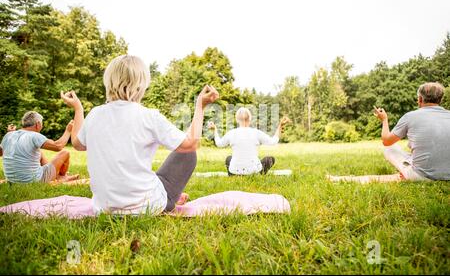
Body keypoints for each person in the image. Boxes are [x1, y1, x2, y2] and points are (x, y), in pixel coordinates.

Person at [61, 54, 219, 215]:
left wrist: (78, 109)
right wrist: (200, 105)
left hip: (104, 208)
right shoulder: (149, 116)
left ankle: (160, 194)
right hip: (148, 207)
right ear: (141, 84)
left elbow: (77, 143)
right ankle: (166, 199)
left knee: (149, 175)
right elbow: (191, 144)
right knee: (187, 154)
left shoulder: (95, 114)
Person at [374, 82, 450, 181]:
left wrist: (384, 119)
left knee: (389, 148)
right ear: (440, 99)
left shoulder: (410, 116)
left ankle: (408, 172)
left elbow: (386, 141)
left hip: (421, 176)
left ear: (420, 99)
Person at [0, 111, 78, 183]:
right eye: (41, 123)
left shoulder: (9, 135)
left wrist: (10, 134)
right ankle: (62, 177)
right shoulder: (34, 135)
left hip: (12, 179)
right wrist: (68, 131)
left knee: (39, 152)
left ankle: (56, 175)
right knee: (65, 153)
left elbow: (1, 153)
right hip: (33, 180)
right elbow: (58, 146)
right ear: (38, 124)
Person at [208, 107, 290, 176]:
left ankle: (234, 175)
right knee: (270, 159)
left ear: (237, 119)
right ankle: (258, 173)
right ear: (250, 119)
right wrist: (280, 125)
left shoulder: (231, 133)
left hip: (234, 172)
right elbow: (273, 141)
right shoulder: (256, 132)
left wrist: (215, 130)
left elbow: (219, 144)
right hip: (254, 172)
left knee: (228, 159)